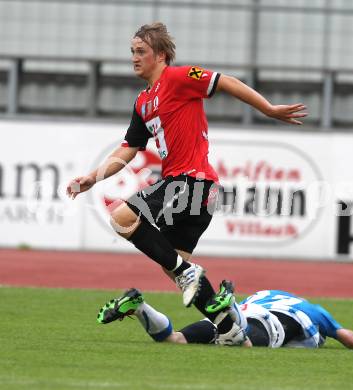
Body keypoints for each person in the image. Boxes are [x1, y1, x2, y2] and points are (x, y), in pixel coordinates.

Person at [67, 22, 307, 341]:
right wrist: (93, 177)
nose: (134, 58)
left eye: (141, 52)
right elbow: (129, 148)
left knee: (122, 218)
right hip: (196, 193)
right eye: (132, 52)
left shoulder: (180, 78)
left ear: (161, 56)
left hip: (190, 183)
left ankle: (187, 274)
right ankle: (232, 330)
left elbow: (225, 81)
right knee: (173, 263)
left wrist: (268, 109)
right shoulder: (142, 102)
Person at [97, 281, 353, 350]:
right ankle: (229, 308)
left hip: (244, 311)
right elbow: (351, 338)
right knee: (243, 344)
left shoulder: (266, 292)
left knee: (175, 340)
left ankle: (139, 306)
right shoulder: (313, 312)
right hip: (272, 324)